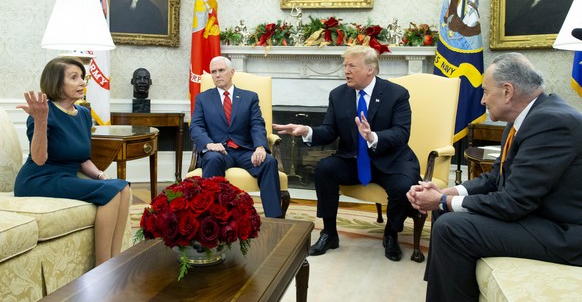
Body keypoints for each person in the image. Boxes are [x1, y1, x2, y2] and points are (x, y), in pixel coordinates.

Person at [407, 52, 582, 301]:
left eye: (486, 91)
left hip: (564, 233)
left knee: (450, 226)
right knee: (445, 210)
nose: (481, 100)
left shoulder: (552, 123)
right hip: (538, 216)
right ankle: (443, 288)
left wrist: (442, 202)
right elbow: (495, 179)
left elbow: (513, 203)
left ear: (507, 91)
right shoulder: (524, 119)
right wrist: (448, 193)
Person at [274, 45, 421, 261]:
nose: (346, 71)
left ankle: (391, 233)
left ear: (371, 69)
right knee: (325, 169)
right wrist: (307, 131)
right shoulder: (338, 95)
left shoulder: (396, 94)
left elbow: (401, 133)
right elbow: (330, 131)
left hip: (391, 159)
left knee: (402, 186)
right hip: (354, 159)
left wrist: (373, 137)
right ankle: (329, 233)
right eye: (344, 66)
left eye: (352, 65)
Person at [14, 57, 131, 266]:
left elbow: (83, 159)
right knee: (111, 192)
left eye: (82, 77)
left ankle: (115, 261)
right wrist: (40, 121)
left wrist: (102, 176)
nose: (82, 82)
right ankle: (103, 268)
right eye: (74, 77)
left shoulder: (84, 114)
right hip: (39, 178)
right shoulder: (42, 111)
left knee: (123, 188)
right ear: (56, 83)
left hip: (66, 176)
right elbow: (39, 159)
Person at [189, 56, 283, 218]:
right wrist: (209, 144)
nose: (217, 75)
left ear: (231, 72)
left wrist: (260, 146)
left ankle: (275, 220)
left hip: (245, 151)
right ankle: (212, 219)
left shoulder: (249, 97)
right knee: (212, 159)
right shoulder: (203, 98)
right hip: (218, 151)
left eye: (221, 70)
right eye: (213, 72)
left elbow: (257, 124)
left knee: (269, 162)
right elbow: (195, 126)